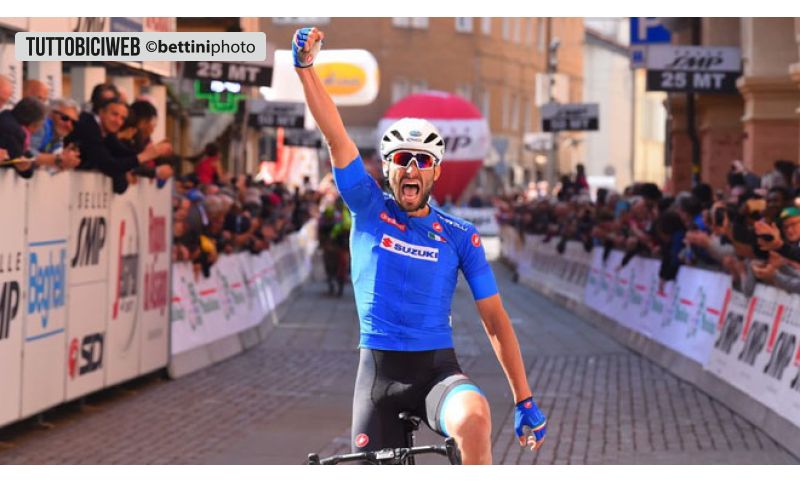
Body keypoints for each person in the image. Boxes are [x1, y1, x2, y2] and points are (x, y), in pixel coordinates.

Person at [293, 27, 546, 464]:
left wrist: (524, 398)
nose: (412, 168)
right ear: (387, 168)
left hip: (437, 373)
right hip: (378, 378)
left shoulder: (459, 234)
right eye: (401, 159)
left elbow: (494, 320)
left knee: (475, 418)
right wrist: (306, 69)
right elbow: (336, 136)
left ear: (436, 171)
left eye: (423, 160)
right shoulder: (368, 206)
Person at [28, 98, 81, 170]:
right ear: (51, 114)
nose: (69, 125)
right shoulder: (42, 126)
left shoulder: (57, 136)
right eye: (65, 118)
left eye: (74, 123)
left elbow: (50, 168)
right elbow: (27, 153)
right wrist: (57, 160)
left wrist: (63, 163)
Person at [0, 96, 46, 179]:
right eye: (39, 125)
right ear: (33, 124)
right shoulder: (15, 132)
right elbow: (19, 162)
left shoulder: (5, 115)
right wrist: (28, 167)